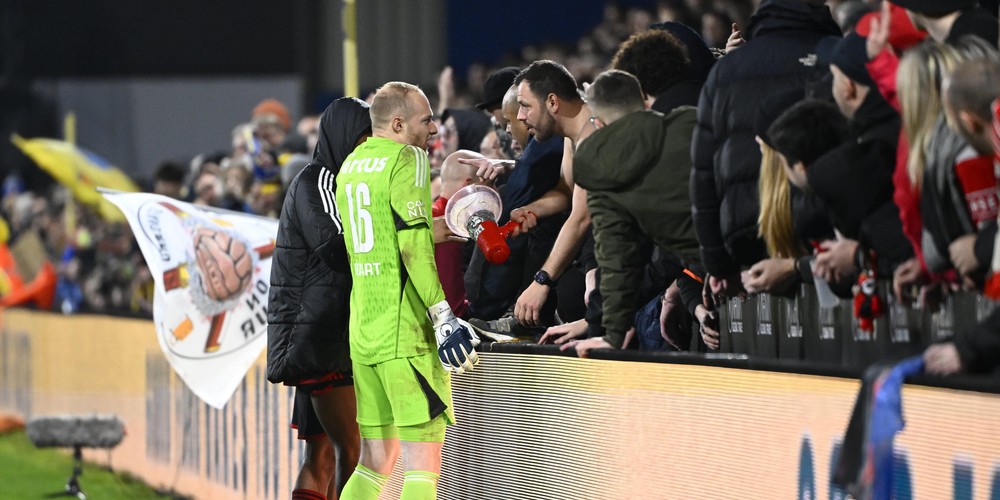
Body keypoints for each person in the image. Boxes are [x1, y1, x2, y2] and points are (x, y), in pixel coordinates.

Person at [335, 82, 480, 500]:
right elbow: (411, 246)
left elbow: (387, 235)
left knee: (373, 465)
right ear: (398, 124)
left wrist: (451, 227)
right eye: (426, 120)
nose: (433, 129)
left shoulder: (351, 164)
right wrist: (443, 316)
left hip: (365, 333)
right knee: (422, 471)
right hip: (405, 334)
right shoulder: (408, 158)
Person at [690, 0, 840, 299]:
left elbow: (702, 173)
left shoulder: (725, 71)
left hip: (749, 242)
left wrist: (719, 266)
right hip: (826, 237)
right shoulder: (835, 54)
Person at [267, 97, 373, 500]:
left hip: (321, 333)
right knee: (355, 451)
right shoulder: (320, 182)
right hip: (321, 340)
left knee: (324, 456)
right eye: (364, 138)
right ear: (344, 137)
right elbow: (338, 248)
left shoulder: (335, 182)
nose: (369, 148)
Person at [562, 69, 702, 357]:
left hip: (709, 278)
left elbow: (616, 253)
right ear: (646, 103)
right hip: (761, 258)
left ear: (598, 124)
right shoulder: (693, 121)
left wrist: (611, 332)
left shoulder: (596, 164)